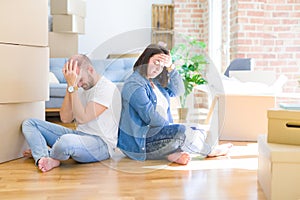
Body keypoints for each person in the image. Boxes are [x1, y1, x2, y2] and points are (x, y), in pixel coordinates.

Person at [117, 44, 232, 165]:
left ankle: (171, 153)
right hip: (141, 142)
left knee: (197, 129)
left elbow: (179, 90)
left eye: (162, 66)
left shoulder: (155, 82)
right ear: (146, 59)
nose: (158, 68)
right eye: (156, 62)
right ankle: (209, 151)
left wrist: (171, 67)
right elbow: (149, 116)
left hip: (158, 135)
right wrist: (172, 129)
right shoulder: (134, 83)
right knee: (181, 131)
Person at [22, 54, 122, 172]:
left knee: (65, 142)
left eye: (80, 79)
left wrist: (73, 87)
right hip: (79, 135)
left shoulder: (107, 88)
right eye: (75, 81)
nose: (78, 84)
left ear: (90, 70)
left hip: (102, 144)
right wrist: (70, 86)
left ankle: (49, 154)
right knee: (29, 124)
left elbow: (82, 118)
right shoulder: (76, 87)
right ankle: (43, 157)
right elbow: (65, 118)